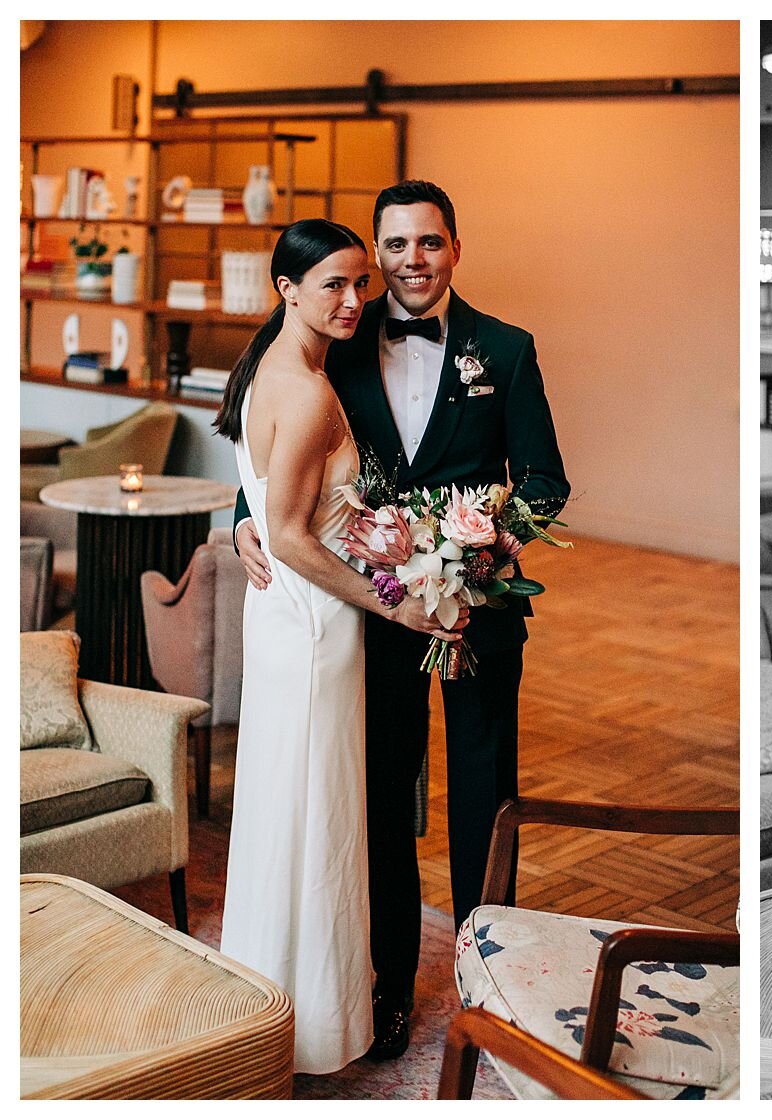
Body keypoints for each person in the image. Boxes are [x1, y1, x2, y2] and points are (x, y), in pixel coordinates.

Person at [234, 182, 569, 1060]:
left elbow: (545, 483)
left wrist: (482, 549)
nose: (410, 261)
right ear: (375, 254)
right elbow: (274, 446)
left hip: (478, 619)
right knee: (379, 804)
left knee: (484, 802)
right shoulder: (336, 337)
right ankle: (383, 990)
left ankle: (485, 983)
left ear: (455, 248)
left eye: (429, 242)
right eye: (396, 246)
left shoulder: (507, 348)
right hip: (373, 625)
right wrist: (244, 518)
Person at [214, 219, 469, 1074]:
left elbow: (284, 504)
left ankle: (268, 1001)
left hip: (292, 625)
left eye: (360, 282)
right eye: (335, 284)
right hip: (318, 628)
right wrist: (399, 606)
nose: (356, 298)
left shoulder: (268, 371)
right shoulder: (311, 391)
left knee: (290, 815)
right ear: (286, 288)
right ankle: (311, 1021)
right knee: (318, 825)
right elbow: (287, 533)